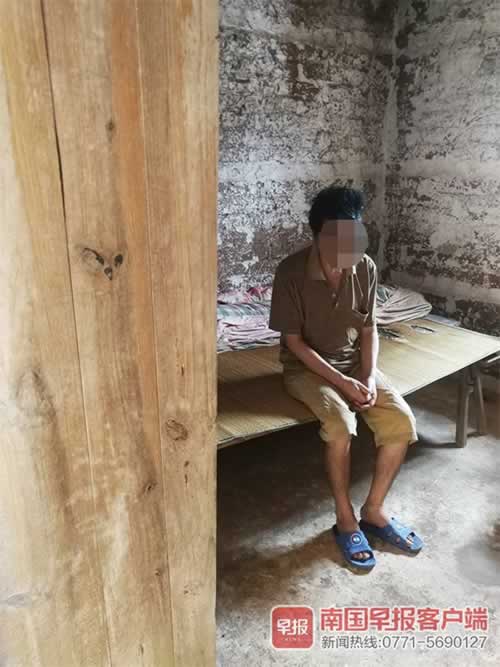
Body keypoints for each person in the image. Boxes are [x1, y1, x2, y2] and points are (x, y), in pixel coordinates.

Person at [268, 185, 422, 571]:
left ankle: (374, 511)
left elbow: (369, 330)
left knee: (401, 422)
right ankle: (345, 518)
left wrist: (366, 377)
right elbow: (294, 343)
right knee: (340, 426)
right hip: (308, 368)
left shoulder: (364, 266)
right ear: (317, 235)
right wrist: (342, 382)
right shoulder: (290, 272)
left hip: (355, 364)